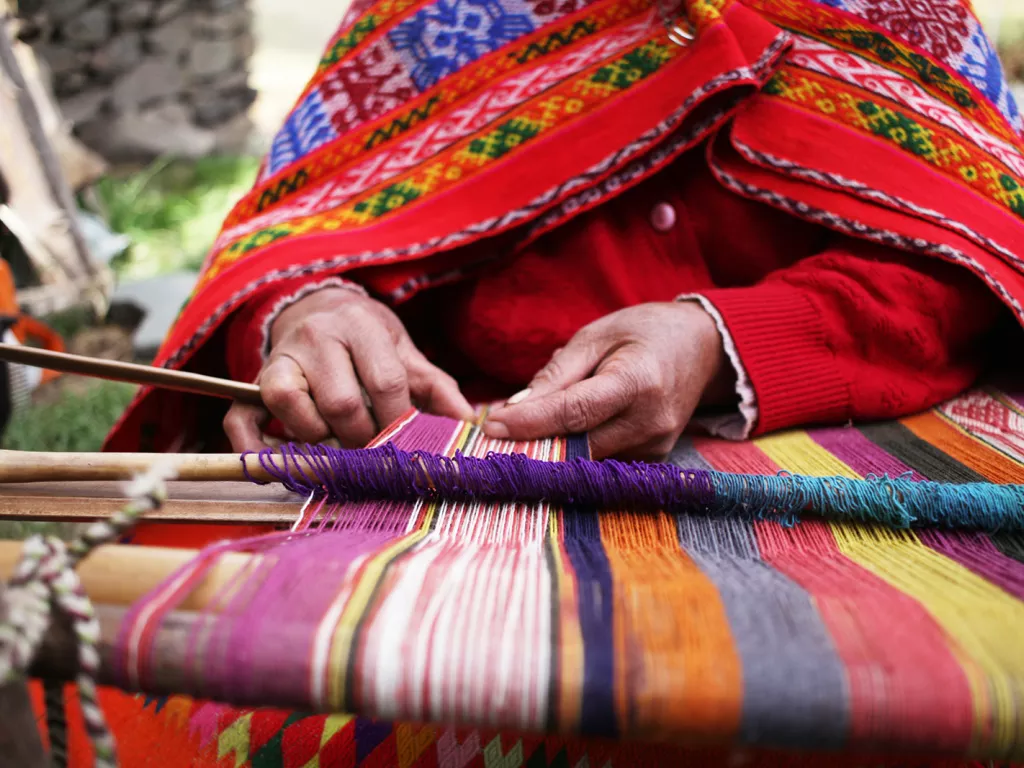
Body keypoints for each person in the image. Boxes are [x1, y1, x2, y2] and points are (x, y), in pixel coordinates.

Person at [104, 0, 1024, 465]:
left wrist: (722, 342)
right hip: (458, 483)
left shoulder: (901, 17)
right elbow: (298, 230)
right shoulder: (429, 20)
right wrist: (308, 312)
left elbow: (981, 254)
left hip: (832, 473)